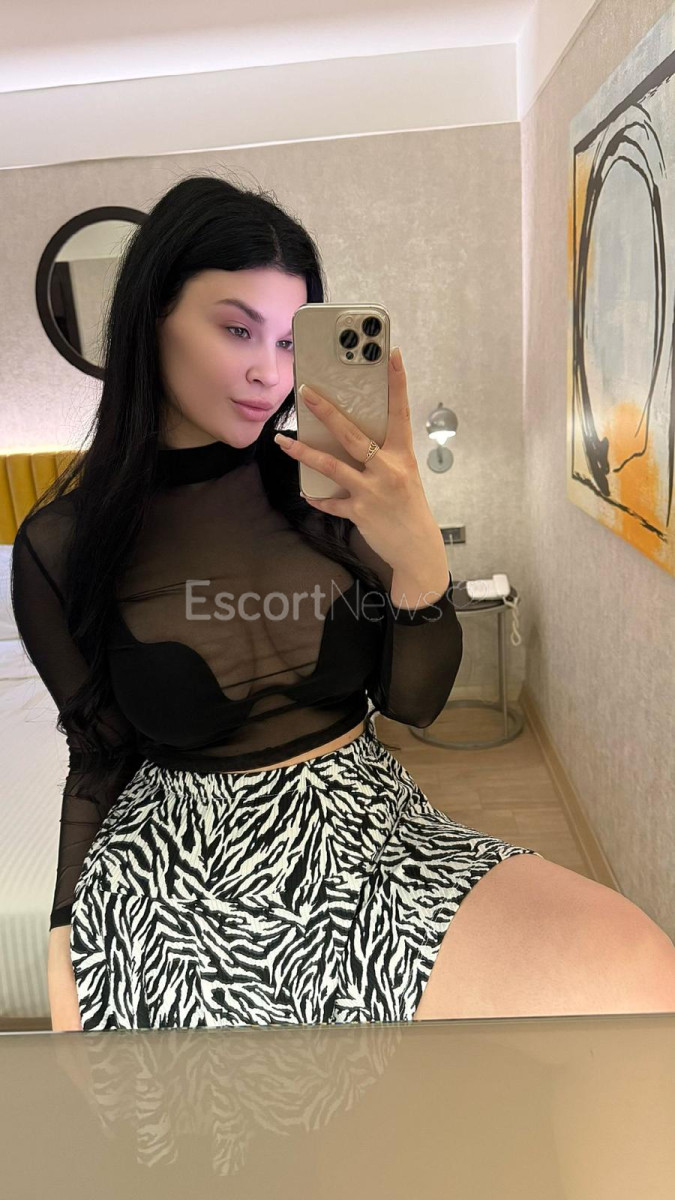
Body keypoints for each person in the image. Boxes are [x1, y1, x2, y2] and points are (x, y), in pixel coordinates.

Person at [12, 175, 673, 1033]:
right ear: (152, 318)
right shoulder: (62, 544)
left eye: (292, 341)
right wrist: (64, 933)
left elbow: (412, 705)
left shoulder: (328, 489)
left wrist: (419, 555)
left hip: (362, 829)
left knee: (637, 968)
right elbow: (97, 756)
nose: (269, 372)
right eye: (237, 329)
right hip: (176, 863)